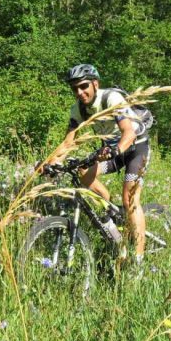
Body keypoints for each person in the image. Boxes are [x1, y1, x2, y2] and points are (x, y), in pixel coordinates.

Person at [48, 64, 151, 264]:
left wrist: (116, 149)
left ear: (95, 83)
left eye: (84, 86)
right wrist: (49, 163)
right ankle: (108, 210)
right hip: (111, 152)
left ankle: (138, 261)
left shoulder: (111, 98)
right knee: (83, 171)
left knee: (130, 199)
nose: (79, 92)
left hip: (136, 148)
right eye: (75, 88)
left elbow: (128, 132)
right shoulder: (78, 109)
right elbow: (68, 143)